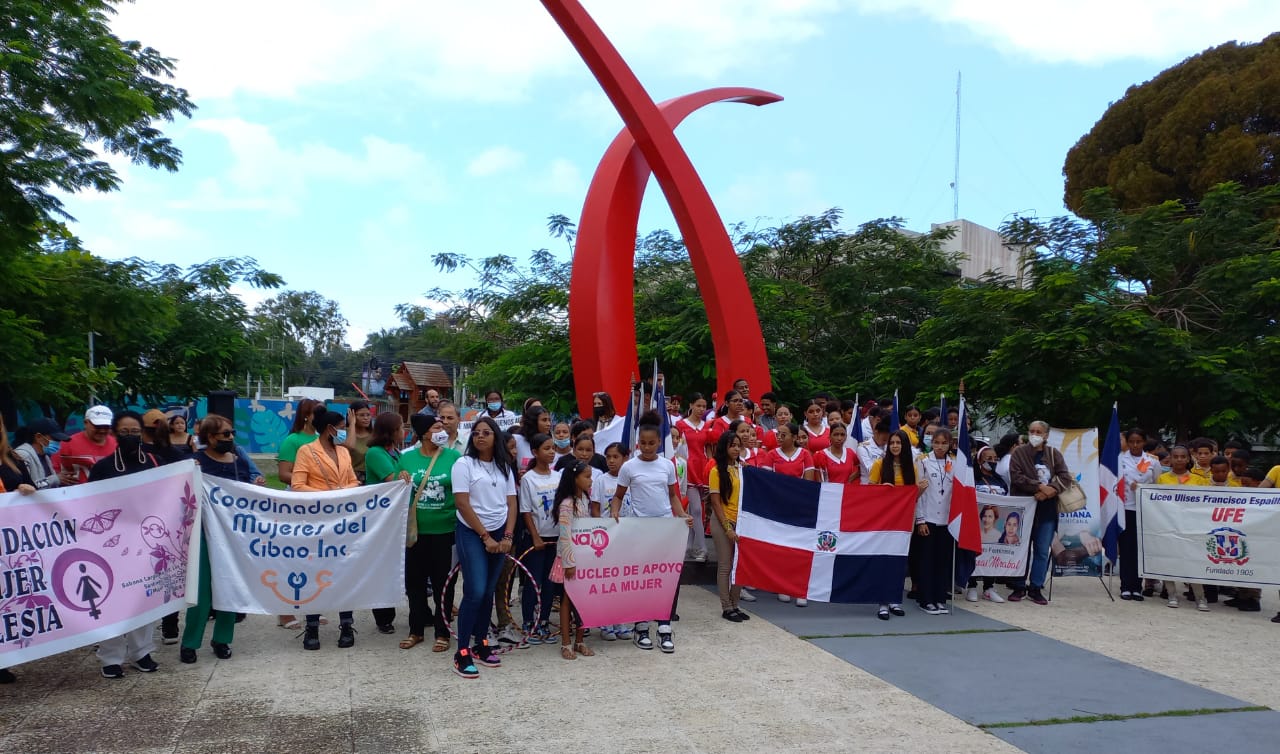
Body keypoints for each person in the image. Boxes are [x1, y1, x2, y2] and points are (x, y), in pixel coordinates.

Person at [88, 411, 162, 678]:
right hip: (111, 545)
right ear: (114, 434)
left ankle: (142, 652)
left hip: (146, 543)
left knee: (144, 599)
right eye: (124, 432)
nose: (130, 437)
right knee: (112, 601)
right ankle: (111, 657)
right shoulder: (103, 468)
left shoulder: (154, 462)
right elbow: (89, 505)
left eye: (135, 432)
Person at [610, 413, 692, 653]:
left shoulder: (667, 465)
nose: (647, 447)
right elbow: (618, 496)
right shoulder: (629, 467)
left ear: (659, 442)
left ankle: (664, 626)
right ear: (638, 443)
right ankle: (641, 625)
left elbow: (673, 496)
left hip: (664, 529)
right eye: (643, 443)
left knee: (664, 578)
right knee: (642, 577)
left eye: (651, 443)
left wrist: (681, 516)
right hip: (639, 530)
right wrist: (615, 513)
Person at [182, 414, 259, 664]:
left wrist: (256, 485)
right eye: (225, 434)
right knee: (202, 591)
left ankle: (222, 639)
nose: (230, 437)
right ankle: (190, 642)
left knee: (230, 587)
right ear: (210, 437)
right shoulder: (195, 462)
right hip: (203, 533)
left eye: (232, 433)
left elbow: (249, 492)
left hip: (234, 535)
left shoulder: (239, 462)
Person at [450, 416, 518, 678]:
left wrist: (508, 536)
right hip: (472, 532)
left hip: (501, 532)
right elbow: (462, 503)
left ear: (495, 437)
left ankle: (481, 644)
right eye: (476, 433)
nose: (480, 436)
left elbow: (512, 503)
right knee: (475, 590)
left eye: (486, 432)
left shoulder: (504, 466)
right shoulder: (463, 464)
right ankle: (462, 651)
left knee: (489, 590)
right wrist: (486, 537)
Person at [291, 410, 361, 649]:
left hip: (343, 522)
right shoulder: (306, 451)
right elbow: (297, 485)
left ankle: (347, 623)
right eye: (342, 426)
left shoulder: (343, 452)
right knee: (313, 572)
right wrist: (328, 496)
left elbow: (352, 480)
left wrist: (349, 489)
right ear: (330, 428)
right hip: (316, 522)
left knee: (345, 571)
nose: (344, 431)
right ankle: (312, 626)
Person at [398, 412, 462, 653]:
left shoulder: (455, 458)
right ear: (424, 433)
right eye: (437, 427)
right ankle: (415, 630)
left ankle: (442, 631)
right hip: (415, 533)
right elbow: (394, 492)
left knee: (443, 584)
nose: (442, 429)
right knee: (414, 584)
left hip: (445, 532)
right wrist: (400, 478)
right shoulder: (406, 459)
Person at [1007, 420, 1073, 605]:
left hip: (1047, 509)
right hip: (1024, 509)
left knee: (1042, 550)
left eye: (1039, 431)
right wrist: (1040, 487)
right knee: (1022, 549)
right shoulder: (1019, 453)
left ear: (1046, 435)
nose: (1035, 434)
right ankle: (1018, 586)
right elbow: (1017, 476)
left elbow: (1064, 476)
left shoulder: (1053, 454)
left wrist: (1050, 490)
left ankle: (1036, 587)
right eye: (1032, 431)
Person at [364, 411, 411, 634]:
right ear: (391, 431)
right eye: (401, 427)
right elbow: (395, 480)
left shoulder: (395, 452)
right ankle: (383, 616)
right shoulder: (375, 453)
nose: (404, 431)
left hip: (396, 518)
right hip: (381, 519)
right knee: (382, 566)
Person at [868, 430, 918, 620]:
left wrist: (919, 490)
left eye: (899, 443)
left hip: (904, 523)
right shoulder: (880, 464)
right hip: (884, 522)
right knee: (884, 561)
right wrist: (882, 490)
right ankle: (882, 602)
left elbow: (912, 499)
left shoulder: (911, 468)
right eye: (892, 443)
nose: (895, 446)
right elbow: (869, 493)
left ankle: (894, 599)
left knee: (899, 561)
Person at [518, 433, 560, 644]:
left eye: (553, 448)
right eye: (546, 448)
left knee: (550, 583)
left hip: (556, 537)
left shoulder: (558, 477)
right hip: (536, 539)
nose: (551, 451)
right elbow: (526, 511)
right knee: (533, 582)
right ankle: (528, 623)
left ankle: (543, 621)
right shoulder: (528, 479)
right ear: (535, 452)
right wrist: (535, 537)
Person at [553, 460, 597, 660]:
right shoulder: (567, 504)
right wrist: (569, 563)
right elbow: (565, 535)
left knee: (584, 601)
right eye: (587, 476)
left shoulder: (585, 500)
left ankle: (580, 640)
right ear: (575, 478)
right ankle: (565, 643)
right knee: (567, 601)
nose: (590, 480)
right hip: (570, 559)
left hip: (585, 557)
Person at [707, 432, 750, 622]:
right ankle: (726, 607)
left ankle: (735, 603)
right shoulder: (716, 471)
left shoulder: (742, 468)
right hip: (723, 521)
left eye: (738, 445)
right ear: (724, 447)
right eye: (732, 445)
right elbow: (716, 503)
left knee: (739, 565)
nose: (735, 449)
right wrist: (728, 528)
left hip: (741, 521)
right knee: (725, 565)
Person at [914, 428, 955, 615]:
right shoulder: (923, 461)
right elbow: (920, 494)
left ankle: (940, 597)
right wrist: (920, 520)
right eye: (936, 442)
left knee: (942, 560)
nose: (939, 446)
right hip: (928, 517)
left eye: (943, 443)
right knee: (926, 560)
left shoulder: (953, 463)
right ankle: (925, 599)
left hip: (946, 520)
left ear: (950, 444)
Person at [1118, 428, 1160, 600]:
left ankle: (1137, 586)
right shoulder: (1119, 459)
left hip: (1143, 510)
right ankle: (1125, 586)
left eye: (1139, 442)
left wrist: (1143, 489)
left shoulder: (1152, 461)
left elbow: (1157, 484)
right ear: (1127, 442)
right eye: (1132, 442)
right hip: (1125, 508)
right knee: (1126, 548)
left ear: (1144, 442)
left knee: (1139, 549)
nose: (1135, 445)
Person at [676, 393, 712, 563]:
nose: (701, 409)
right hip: (687, 469)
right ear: (691, 405)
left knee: (698, 511)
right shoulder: (681, 425)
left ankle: (689, 546)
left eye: (704, 406)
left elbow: (709, 449)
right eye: (698, 405)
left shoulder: (707, 426)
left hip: (703, 468)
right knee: (695, 510)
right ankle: (701, 548)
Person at [52, 405, 117, 484]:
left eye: (106, 427)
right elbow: (52, 471)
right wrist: (58, 478)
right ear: (85, 423)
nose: (102, 430)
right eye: (97, 426)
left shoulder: (117, 445)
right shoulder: (67, 444)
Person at [12, 417, 73, 491]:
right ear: (38, 437)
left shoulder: (45, 456)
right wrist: (55, 479)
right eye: (55, 439)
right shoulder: (21, 455)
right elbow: (27, 487)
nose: (58, 443)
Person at [276, 398, 322, 488]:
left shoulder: (321, 439)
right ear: (306, 416)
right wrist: (312, 482)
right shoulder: (292, 440)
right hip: (299, 494)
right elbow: (283, 474)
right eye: (317, 414)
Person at [856, 409, 891, 485]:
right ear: (876, 431)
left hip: (886, 487)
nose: (887, 438)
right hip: (869, 488)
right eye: (883, 434)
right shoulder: (863, 448)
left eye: (888, 434)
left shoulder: (891, 446)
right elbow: (871, 470)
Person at [342, 400, 374, 482]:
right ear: (352, 416)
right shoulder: (343, 433)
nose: (366, 418)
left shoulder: (374, 435)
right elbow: (349, 446)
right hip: (350, 478)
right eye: (361, 415)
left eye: (368, 415)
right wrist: (352, 423)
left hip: (371, 478)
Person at [513, 406, 551, 473]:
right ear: (533, 422)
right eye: (544, 420)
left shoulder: (550, 442)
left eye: (549, 420)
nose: (548, 424)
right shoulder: (516, 440)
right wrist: (516, 475)